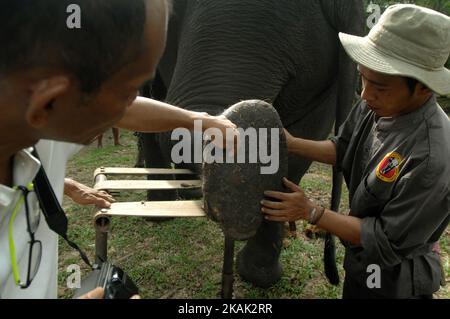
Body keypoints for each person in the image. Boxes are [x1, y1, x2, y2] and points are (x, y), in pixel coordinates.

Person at [0, 0, 236, 299]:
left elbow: (124, 110)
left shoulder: (32, 124)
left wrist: (199, 121)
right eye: (129, 91)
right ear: (49, 104)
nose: (132, 103)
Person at [261, 4, 450, 299]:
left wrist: (311, 211)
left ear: (423, 88)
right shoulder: (378, 103)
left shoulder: (431, 158)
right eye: (362, 78)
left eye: (379, 86)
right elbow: (345, 148)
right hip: (362, 263)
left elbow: (385, 241)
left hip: (397, 281)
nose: (365, 94)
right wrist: (292, 142)